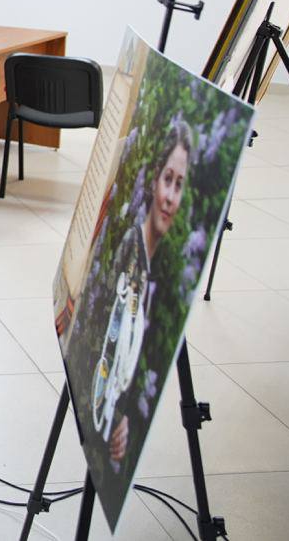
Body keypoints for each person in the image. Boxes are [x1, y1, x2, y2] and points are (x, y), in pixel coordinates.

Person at [92, 119, 192, 469]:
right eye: (167, 179)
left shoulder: (153, 267)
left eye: (179, 185)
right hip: (99, 424)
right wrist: (117, 414)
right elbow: (104, 345)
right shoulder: (131, 251)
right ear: (153, 181)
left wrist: (124, 415)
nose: (170, 197)